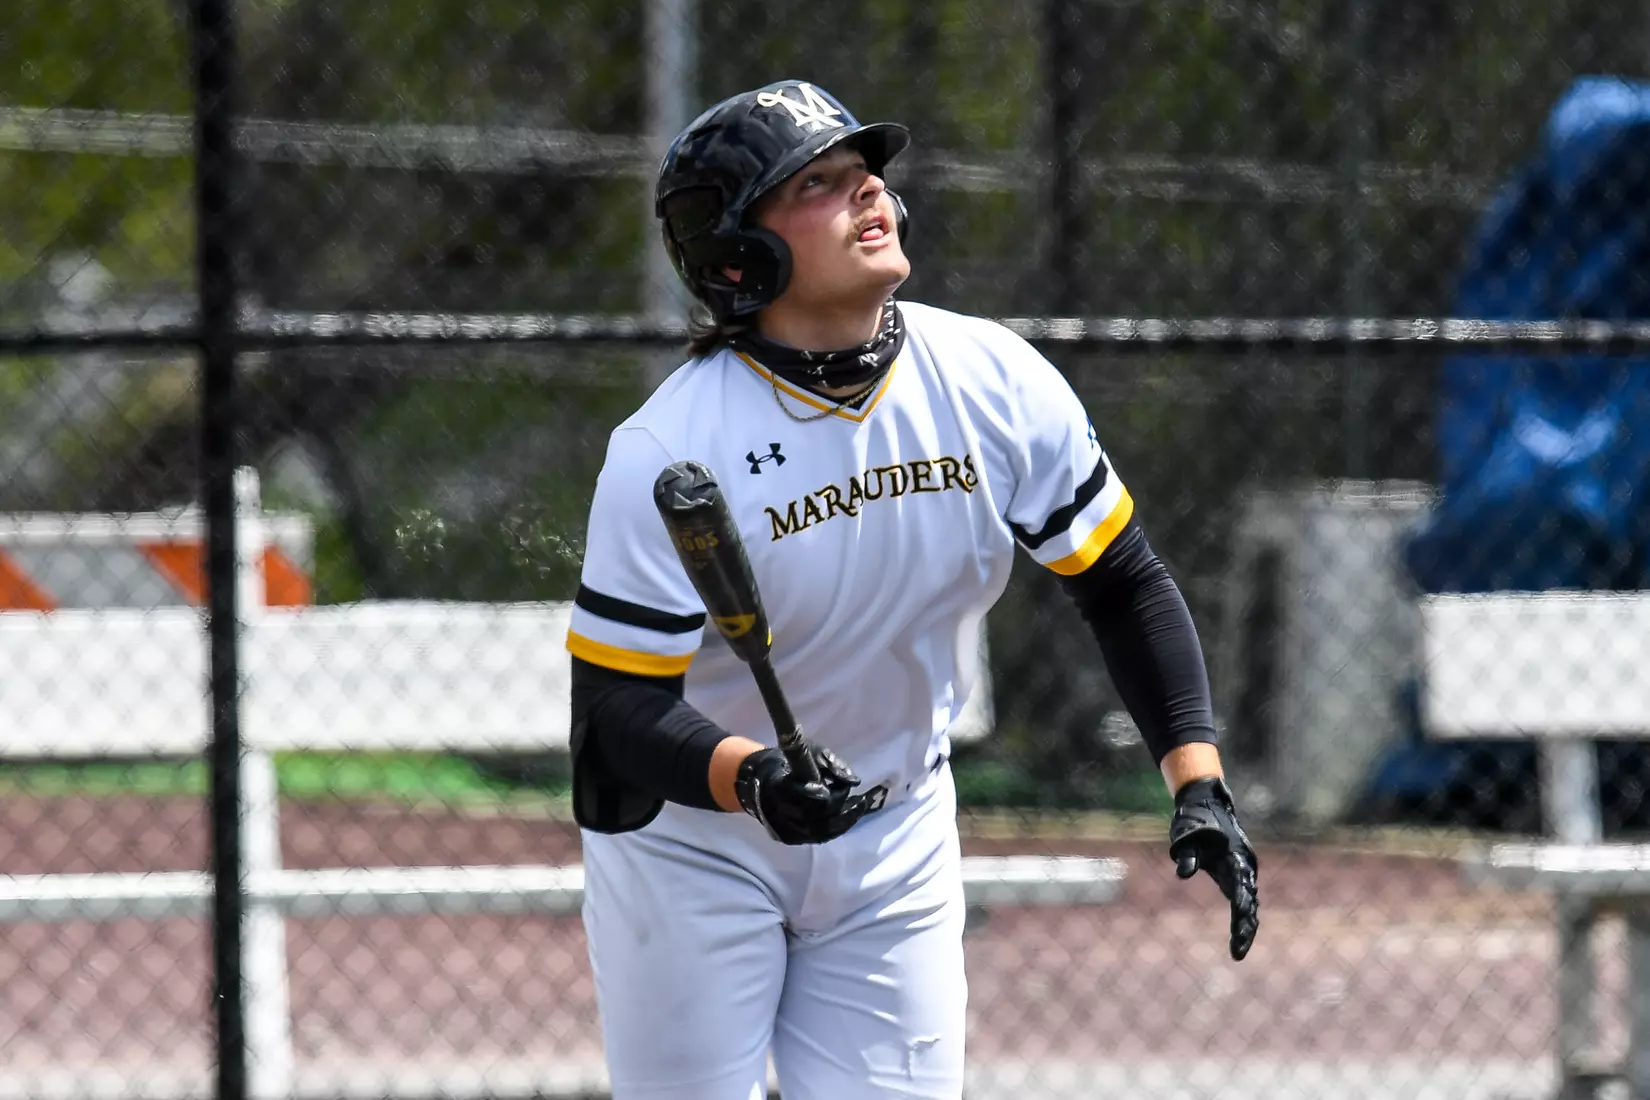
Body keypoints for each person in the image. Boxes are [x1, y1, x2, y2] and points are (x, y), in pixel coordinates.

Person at [564, 78, 1260, 1100]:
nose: (869, 191)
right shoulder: (673, 446)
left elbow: (1121, 579)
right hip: (700, 847)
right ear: (736, 251)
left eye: (866, 170)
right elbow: (613, 709)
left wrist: (1198, 782)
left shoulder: (991, 378)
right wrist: (754, 777)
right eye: (819, 181)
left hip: (895, 832)